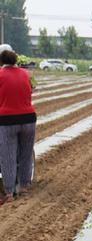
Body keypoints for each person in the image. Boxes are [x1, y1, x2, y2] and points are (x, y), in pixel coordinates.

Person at [0, 44, 37, 206]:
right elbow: (31, 91)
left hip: (8, 121)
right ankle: (24, 186)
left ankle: (8, 192)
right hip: (29, 118)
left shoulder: (0, 75)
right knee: (26, 153)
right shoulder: (25, 74)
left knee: (7, 156)